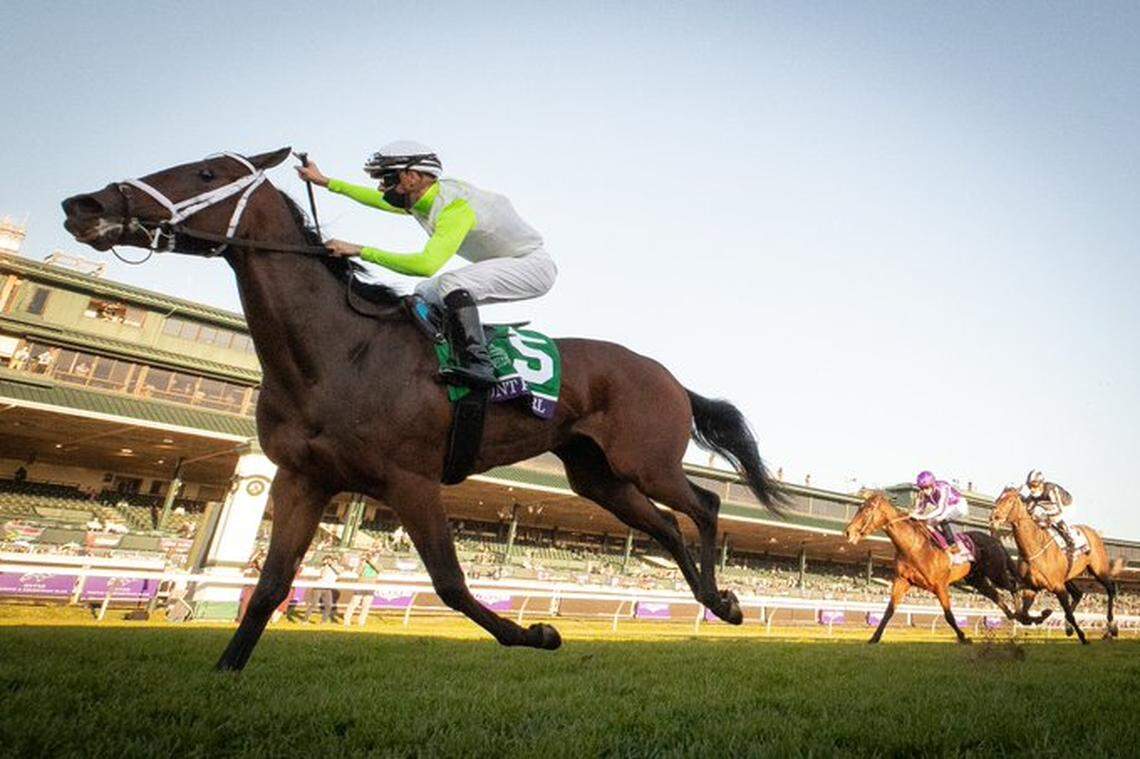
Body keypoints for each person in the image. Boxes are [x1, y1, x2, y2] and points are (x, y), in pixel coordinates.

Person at [295, 141, 557, 388]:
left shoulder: (455, 208)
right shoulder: (422, 197)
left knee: (450, 283)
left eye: (386, 179)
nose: (380, 188)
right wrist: (326, 182)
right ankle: (443, 351)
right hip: (509, 262)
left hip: (532, 266)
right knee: (424, 293)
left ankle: (478, 365)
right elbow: (379, 201)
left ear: (412, 177)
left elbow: (426, 264)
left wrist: (360, 250)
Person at [911, 470, 969, 554]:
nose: (924, 491)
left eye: (926, 488)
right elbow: (920, 509)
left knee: (941, 517)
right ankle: (940, 545)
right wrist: (912, 514)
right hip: (946, 507)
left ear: (932, 484)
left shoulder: (942, 487)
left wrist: (923, 517)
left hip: (959, 505)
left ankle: (953, 545)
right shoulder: (923, 493)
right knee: (928, 523)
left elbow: (941, 509)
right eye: (922, 488)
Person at [1023, 470, 1078, 554]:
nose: (1031, 489)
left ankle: (1071, 541)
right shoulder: (1033, 495)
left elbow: (1059, 510)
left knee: (1056, 518)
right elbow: (1027, 509)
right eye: (1029, 486)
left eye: (1034, 485)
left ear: (1041, 483)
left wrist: (1044, 516)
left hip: (1066, 506)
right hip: (1051, 507)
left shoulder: (1051, 490)